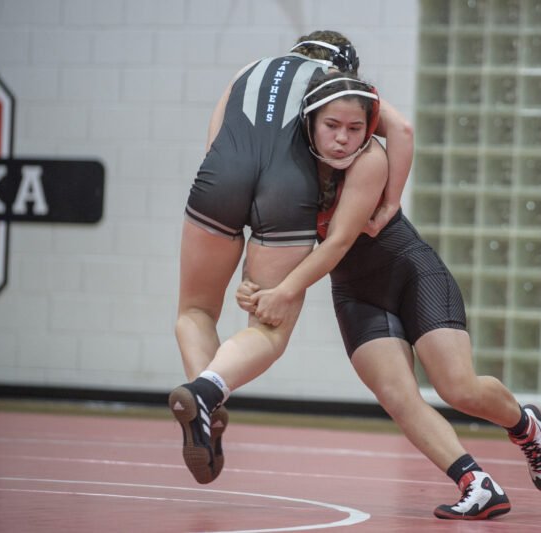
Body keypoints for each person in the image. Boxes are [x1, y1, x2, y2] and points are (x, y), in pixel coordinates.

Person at [230, 71, 541, 520]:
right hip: (356, 293)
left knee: (458, 388)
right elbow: (273, 235)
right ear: (309, 123)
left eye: (355, 128)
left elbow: (339, 242)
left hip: (411, 273)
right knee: (399, 397)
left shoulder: (370, 161)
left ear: (369, 129)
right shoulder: (286, 168)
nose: (343, 139)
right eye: (332, 127)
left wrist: (284, 292)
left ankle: (523, 424)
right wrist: (255, 283)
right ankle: (476, 484)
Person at [171, 30, 414, 484]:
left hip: (220, 175)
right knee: (268, 328)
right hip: (289, 186)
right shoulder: (336, 83)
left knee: (195, 310)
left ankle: (204, 404)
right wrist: (391, 201)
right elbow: (400, 129)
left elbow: (214, 141)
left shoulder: (249, 69)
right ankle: (206, 392)